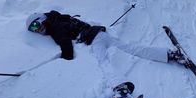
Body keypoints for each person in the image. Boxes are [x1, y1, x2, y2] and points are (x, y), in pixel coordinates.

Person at [26, 10, 183, 63]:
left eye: (36, 25)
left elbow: (65, 43)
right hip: (98, 33)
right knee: (130, 48)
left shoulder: (54, 26)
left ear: (42, 19)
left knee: (103, 63)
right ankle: (168, 55)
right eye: (33, 30)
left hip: (93, 38)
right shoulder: (58, 18)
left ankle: (119, 88)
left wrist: (65, 59)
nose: (37, 30)